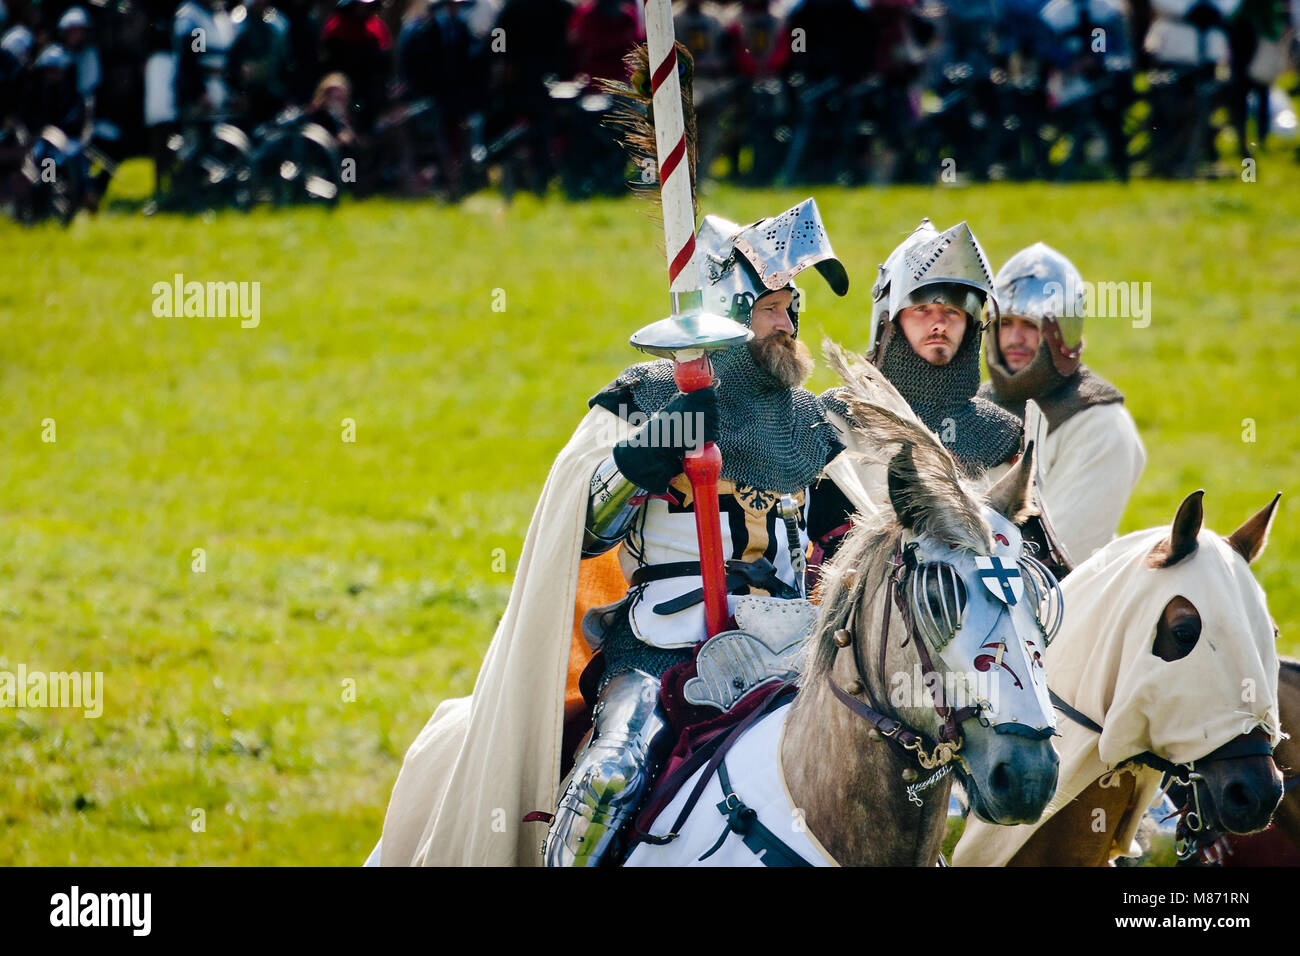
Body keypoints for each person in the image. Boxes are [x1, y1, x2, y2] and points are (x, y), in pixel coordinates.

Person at [372, 199, 857, 866]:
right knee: (608, 779)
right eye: (772, 307)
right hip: (666, 650)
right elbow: (584, 528)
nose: (789, 322)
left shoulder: (812, 425)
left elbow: (848, 537)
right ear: (730, 310)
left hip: (787, 653)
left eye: (792, 306)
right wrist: (646, 452)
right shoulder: (651, 394)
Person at [978, 242, 1145, 564]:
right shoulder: (974, 407)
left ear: (1061, 334)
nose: (1014, 338)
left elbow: (1057, 554)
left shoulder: (1100, 426)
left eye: (1030, 325)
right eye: (1006, 323)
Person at [825, 218, 1022, 483]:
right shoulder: (840, 419)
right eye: (922, 309)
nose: (939, 324)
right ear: (890, 323)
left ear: (971, 327)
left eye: (952, 311)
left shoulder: (998, 436)